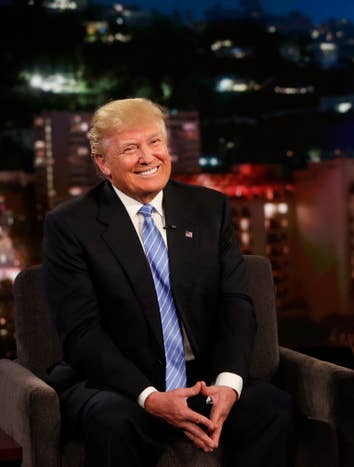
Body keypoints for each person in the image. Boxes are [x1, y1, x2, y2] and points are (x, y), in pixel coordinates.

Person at [43, 98, 295, 466]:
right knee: (114, 422)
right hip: (115, 382)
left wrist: (228, 384)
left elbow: (236, 304)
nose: (148, 157)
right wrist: (150, 396)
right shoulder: (70, 225)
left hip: (201, 377)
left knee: (272, 408)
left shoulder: (210, 209)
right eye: (130, 149)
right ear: (103, 164)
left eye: (155, 142)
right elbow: (82, 332)